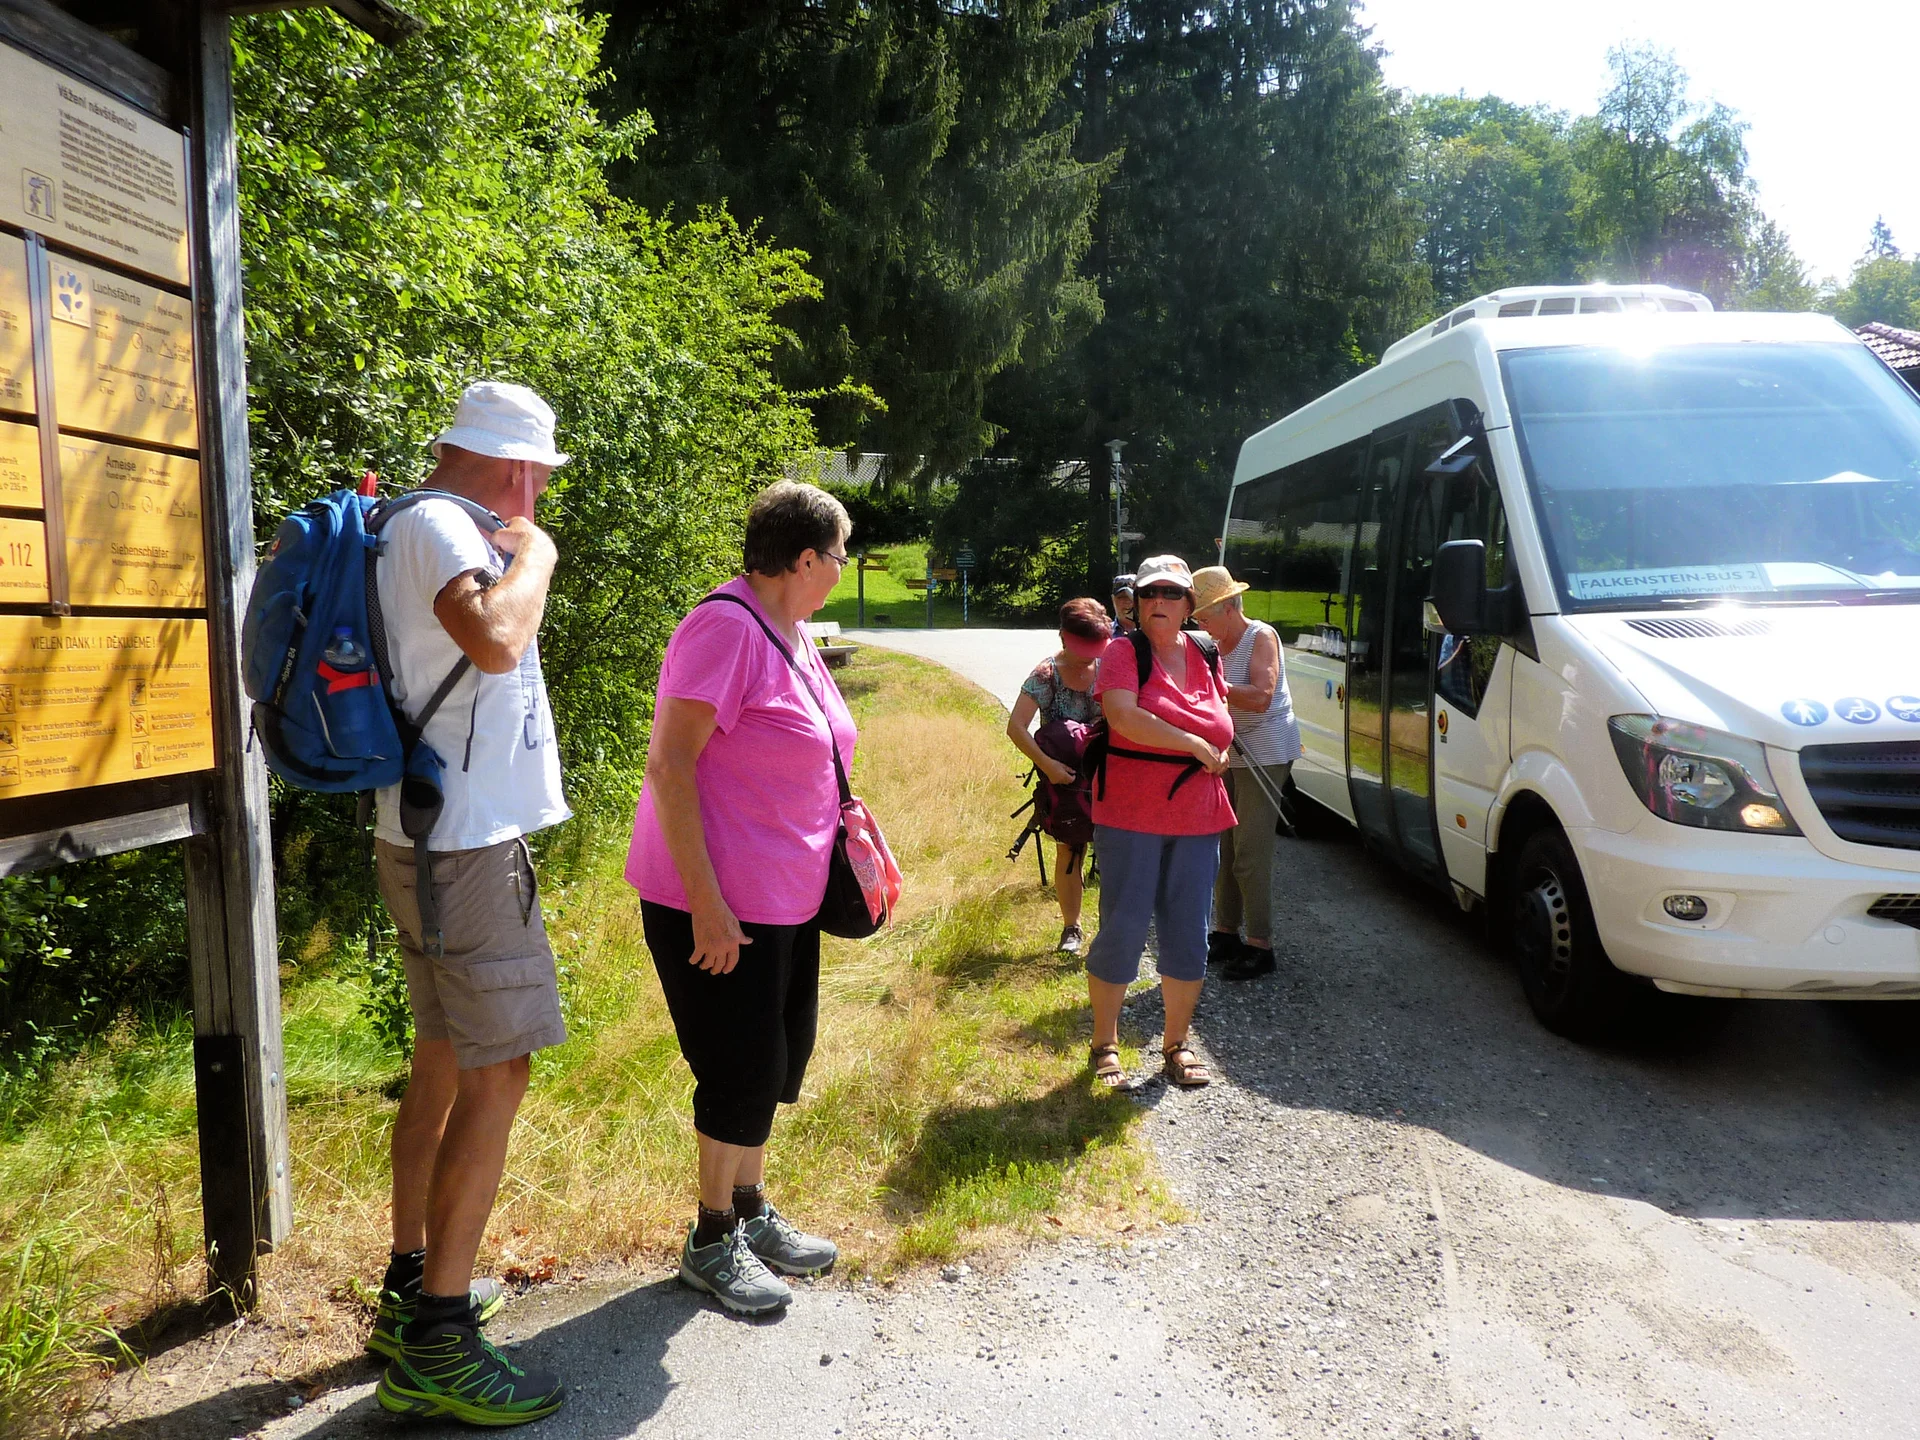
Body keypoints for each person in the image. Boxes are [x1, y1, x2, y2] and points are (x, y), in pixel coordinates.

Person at [369, 382, 571, 1426]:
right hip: (464, 852)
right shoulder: (446, 525)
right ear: (514, 466)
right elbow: (493, 639)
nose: (537, 494)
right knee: (500, 1075)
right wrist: (531, 555)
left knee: (445, 1063)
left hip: (435, 843)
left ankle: (413, 1290)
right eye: (536, 475)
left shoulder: (420, 520)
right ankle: (439, 1337)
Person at [626, 480, 852, 1316]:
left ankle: (750, 1212)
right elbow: (670, 766)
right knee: (737, 1066)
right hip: (720, 902)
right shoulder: (723, 627)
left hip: (785, 896)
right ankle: (710, 1236)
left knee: (777, 1059)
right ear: (803, 558)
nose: (840, 567)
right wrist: (707, 905)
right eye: (838, 554)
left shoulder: (788, 632)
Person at [1084, 555, 1235, 1089]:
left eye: (1172, 594)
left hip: (1200, 813)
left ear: (1191, 605)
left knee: (1189, 933)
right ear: (1137, 603)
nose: (1159, 603)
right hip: (1131, 814)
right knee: (1123, 928)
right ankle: (1105, 1042)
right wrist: (1194, 742)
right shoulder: (1123, 652)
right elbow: (1124, 717)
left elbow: (1221, 713)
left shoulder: (1206, 650)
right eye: (1149, 594)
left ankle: (1176, 1045)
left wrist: (1216, 743)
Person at [1192, 566, 1303, 982]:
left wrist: (1212, 683)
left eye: (1204, 615)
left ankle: (1261, 945)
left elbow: (1260, 697)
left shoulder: (1261, 636)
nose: (1199, 624)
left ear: (1227, 606)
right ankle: (1226, 933)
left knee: (1250, 851)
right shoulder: (1212, 643)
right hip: (1229, 752)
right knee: (1224, 846)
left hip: (1267, 752)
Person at [1006, 598, 1110, 953]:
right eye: (1086, 646)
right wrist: (1048, 766)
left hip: (1111, 774)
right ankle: (1072, 928)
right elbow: (1016, 727)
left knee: (1118, 852)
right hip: (1066, 779)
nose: (1091, 655)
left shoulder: (1111, 665)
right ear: (1065, 636)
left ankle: (1115, 933)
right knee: (1071, 848)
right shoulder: (1046, 674)